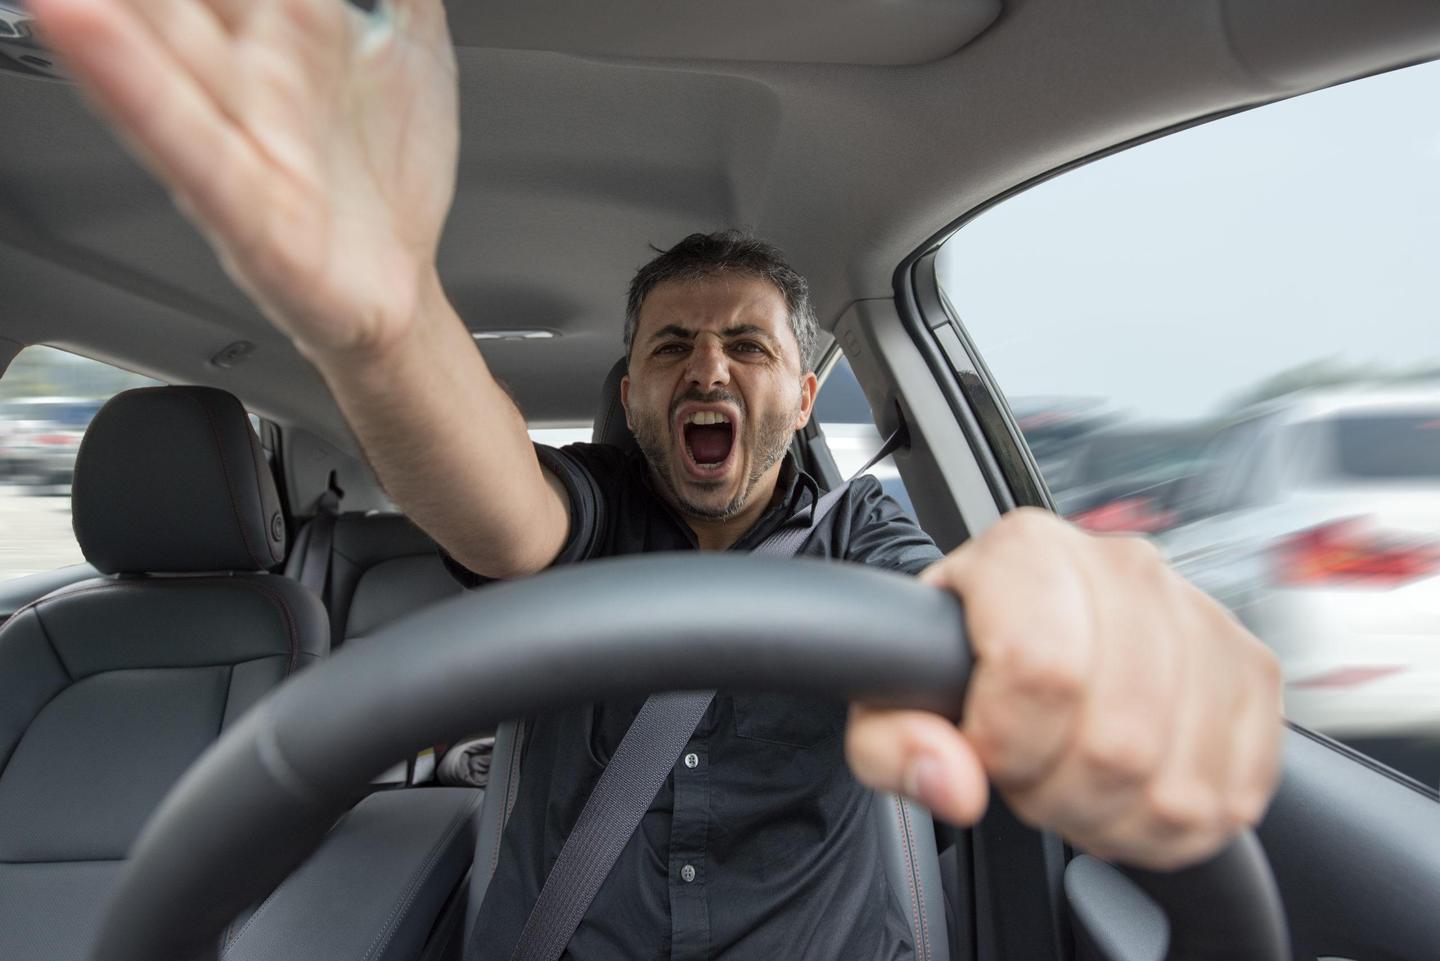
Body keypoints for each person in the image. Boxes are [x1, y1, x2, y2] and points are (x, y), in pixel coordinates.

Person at [27, 0, 1284, 957]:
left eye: (749, 346)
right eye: (671, 348)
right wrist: (386, 325)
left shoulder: (861, 528)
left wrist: (1050, 607)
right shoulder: (594, 513)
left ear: (802, 393)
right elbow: (498, 505)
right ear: (630, 394)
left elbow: (956, 598)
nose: (710, 372)